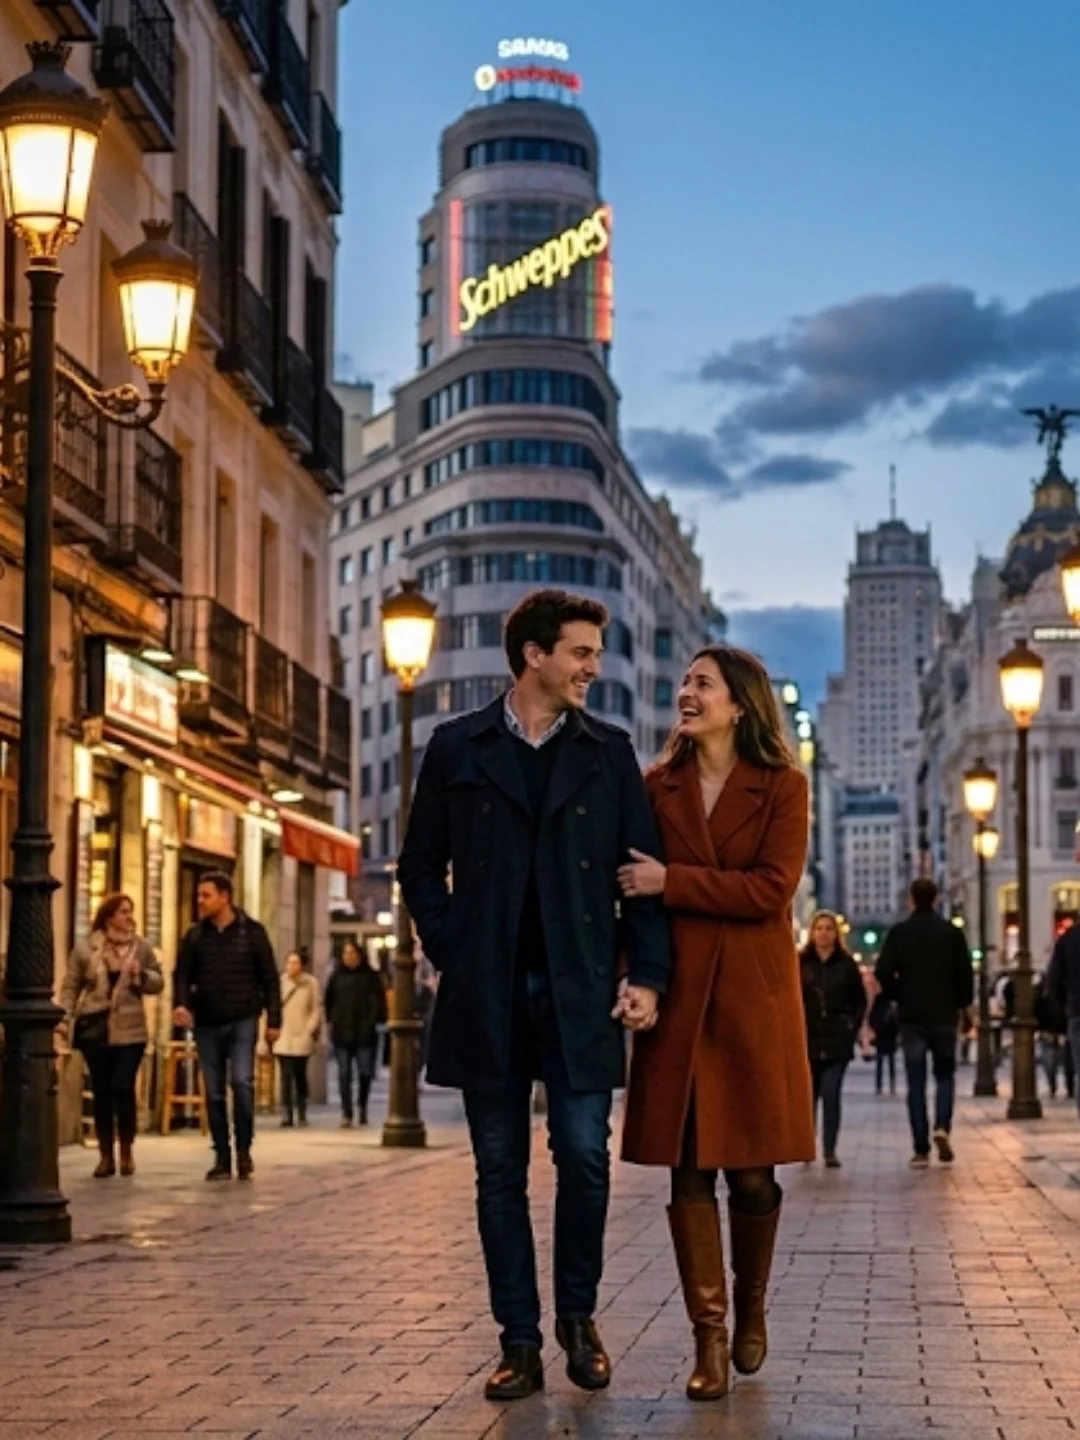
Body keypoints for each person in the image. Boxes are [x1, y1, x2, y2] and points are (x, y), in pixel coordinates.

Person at [399, 589, 670, 1401]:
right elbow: (419, 865)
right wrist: (453, 945)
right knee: (499, 1169)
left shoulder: (608, 752)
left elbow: (639, 879)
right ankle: (518, 1339)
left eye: (595, 654)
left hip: (579, 987)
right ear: (534, 655)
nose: (593, 668)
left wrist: (646, 976)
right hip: (487, 991)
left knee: (584, 1156)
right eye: (581, 653)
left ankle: (578, 1320)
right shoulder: (457, 746)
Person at [619, 644, 814, 1402]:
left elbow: (770, 890)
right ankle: (711, 1337)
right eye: (685, 682)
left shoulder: (784, 787)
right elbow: (633, 895)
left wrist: (673, 881)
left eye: (703, 684)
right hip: (680, 996)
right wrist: (637, 977)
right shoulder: (655, 786)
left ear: (740, 704)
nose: (686, 693)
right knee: (689, 1168)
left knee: (754, 1175)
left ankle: (752, 1301)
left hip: (752, 998)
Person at [173, 871, 281, 1181]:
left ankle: (244, 1151)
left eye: (206, 895)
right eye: (199, 895)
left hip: (243, 1019)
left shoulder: (252, 932)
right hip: (207, 1022)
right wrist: (181, 1004)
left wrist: (274, 1020)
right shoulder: (196, 936)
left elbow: (270, 978)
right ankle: (222, 1155)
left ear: (224, 897)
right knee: (214, 1092)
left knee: (242, 1083)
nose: (200, 901)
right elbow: (182, 974)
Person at [61, 893, 163, 1177]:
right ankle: (106, 1154)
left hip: (131, 1031)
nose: (130, 917)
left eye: (130, 911)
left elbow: (158, 982)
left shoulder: (141, 947)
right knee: (103, 1091)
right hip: (96, 1029)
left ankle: (126, 1150)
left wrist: (141, 976)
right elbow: (71, 986)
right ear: (109, 918)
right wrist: (64, 1019)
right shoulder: (87, 948)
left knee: (122, 1086)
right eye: (123, 912)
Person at [875, 878, 974, 1168]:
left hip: (912, 1017)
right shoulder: (951, 933)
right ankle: (942, 1126)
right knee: (945, 1076)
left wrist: (898, 994)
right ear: (937, 899)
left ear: (911, 899)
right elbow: (965, 975)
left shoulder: (899, 933)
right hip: (944, 1014)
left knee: (915, 1082)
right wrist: (962, 1006)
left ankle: (920, 1148)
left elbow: (883, 971)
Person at [799, 910, 866, 1169]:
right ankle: (806, 1146)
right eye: (819, 928)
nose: (823, 933)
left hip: (837, 1040)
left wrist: (850, 1026)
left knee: (831, 1093)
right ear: (812, 933)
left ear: (836, 934)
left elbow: (858, 1001)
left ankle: (829, 1148)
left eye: (828, 929)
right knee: (809, 1097)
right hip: (809, 1039)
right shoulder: (801, 962)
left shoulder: (846, 964)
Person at [325, 940, 386, 1125]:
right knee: (344, 1073)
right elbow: (328, 1001)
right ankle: (347, 1111)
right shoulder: (337, 976)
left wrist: (372, 1021)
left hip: (364, 1033)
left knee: (364, 1072)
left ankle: (362, 1105)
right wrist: (332, 1021)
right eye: (346, 953)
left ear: (359, 955)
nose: (349, 956)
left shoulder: (370, 976)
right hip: (342, 1032)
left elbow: (379, 1002)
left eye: (352, 953)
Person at [274, 951, 322, 1127]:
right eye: (289, 962)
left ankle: (302, 1109)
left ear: (302, 965)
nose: (291, 966)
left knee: (300, 1074)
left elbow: (316, 1008)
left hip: (301, 1035)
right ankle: (287, 1112)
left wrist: (309, 1028)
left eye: (295, 963)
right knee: (285, 1076)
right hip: (284, 1035)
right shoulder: (280, 983)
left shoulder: (311, 984)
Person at [868, 986, 900, 1095]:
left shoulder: (878, 1004)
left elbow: (872, 1018)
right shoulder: (891, 1005)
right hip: (888, 1035)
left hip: (883, 1034)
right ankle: (890, 1085)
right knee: (889, 1062)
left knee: (881, 1062)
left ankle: (880, 1085)